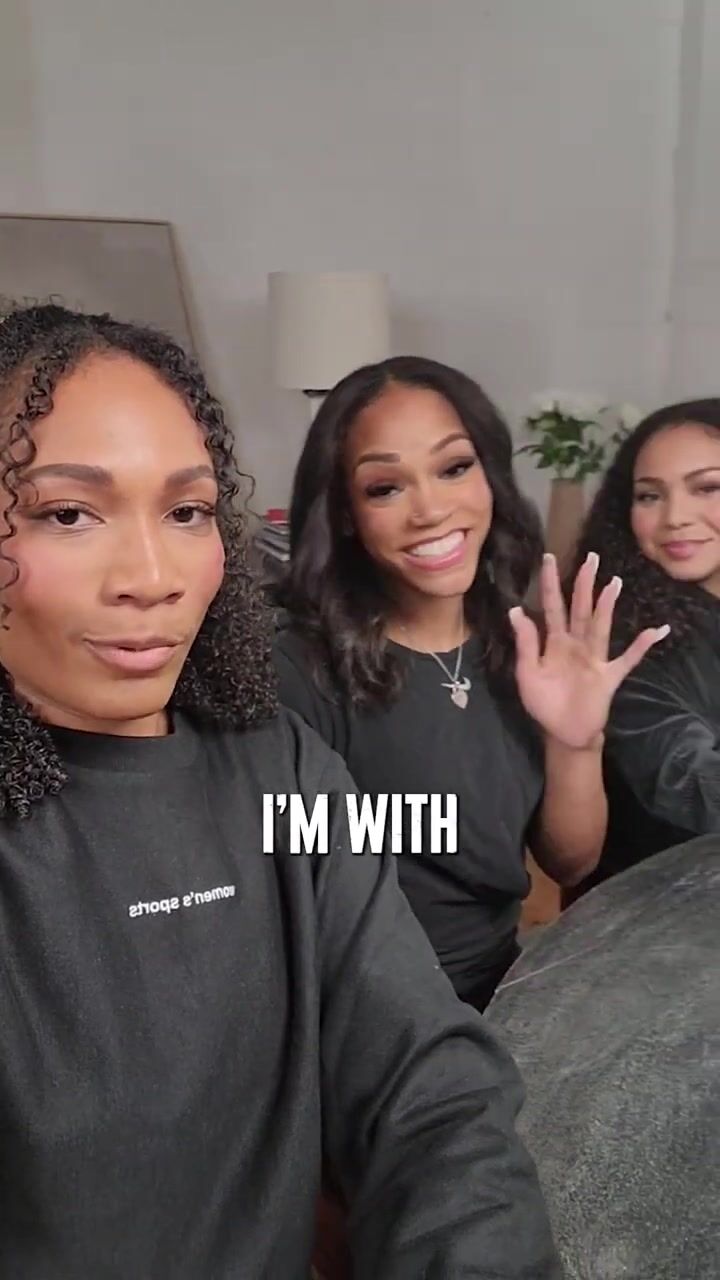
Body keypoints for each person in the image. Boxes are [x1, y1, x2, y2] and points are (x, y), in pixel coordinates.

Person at [0, 303, 564, 1279]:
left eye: (186, 510)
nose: (153, 575)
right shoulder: (314, 674)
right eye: (67, 512)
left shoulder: (277, 760)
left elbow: (427, 1086)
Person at [272, 355, 668, 1013]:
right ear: (345, 514)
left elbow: (568, 864)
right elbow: (278, 856)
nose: (430, 510)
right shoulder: (301, 670)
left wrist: (576, 742)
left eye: (454, 468)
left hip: (501, 991)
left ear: (490, 476)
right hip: (365, 1010)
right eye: (384, 488)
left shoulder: (526, 647)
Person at [568, 399, 720, 886]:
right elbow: (691, 782)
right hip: (655, 921)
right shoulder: (620, 636)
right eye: (649, 496)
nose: (675, 516)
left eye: (708, 487)